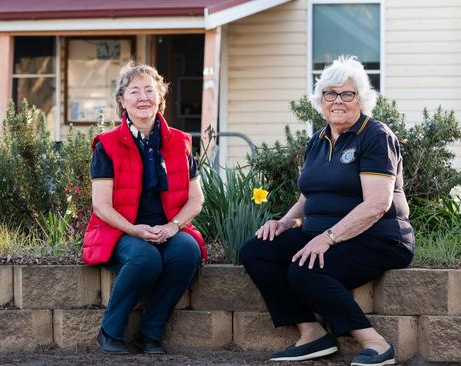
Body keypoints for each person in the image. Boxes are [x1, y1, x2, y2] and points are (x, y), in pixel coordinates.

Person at [239, 56, 414, 366]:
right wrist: (286, 221)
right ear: (320, 100)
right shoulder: (317, 141)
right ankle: (312, 333)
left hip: (378, 238)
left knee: (306, 268)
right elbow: (311, 196)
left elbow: (377, 205)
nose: (338, 101)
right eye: (330, 94)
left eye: (347, 94)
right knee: (257, 251)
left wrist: (328, 238)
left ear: (361, 99)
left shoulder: (375, 136)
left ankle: (375, 343)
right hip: (324, 232)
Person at [83, 61, 206, 355]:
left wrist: (173, 226)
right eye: (134, 91)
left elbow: (196, 198)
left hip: (166, 228)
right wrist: (135, 230)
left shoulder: (180, 142)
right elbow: (100, 205)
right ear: (122, 101)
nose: (143, 98)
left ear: (160, 98)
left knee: (187, 252)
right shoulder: (107, 144)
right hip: (120, 230)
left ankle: (149, 334)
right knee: (147, 259)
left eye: (150, 90)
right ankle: (110, 332)